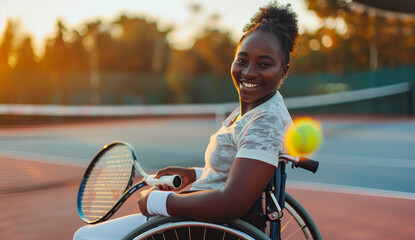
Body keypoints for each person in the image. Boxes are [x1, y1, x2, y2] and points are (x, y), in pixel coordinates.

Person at [74, 1, 299, 239]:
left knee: (85, 237)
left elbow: (230, 203)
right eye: (242, 60)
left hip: (207, 229)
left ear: (284, 70)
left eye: (264, 64)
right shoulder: (253, 111)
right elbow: (232, 175)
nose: (249, 72)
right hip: (200, 222)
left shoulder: (265, 121)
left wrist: (156, 201)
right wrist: (193, 174)